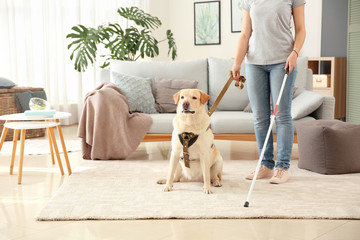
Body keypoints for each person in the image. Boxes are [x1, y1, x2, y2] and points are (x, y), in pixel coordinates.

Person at [232, 0, 306, 184]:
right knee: (260, 117)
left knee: (281, 115)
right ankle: (265, 165)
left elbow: (300, 28)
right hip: (254, 63)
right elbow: (245, 34)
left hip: (283, 61)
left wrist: (295, 52)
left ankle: (282, 167)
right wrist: (237, 62)